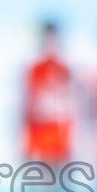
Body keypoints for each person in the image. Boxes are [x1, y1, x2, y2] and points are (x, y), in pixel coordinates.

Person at [24, 21, 73, 166]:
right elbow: (31, 100)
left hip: (59, 126)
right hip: (41, 127)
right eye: (47, 39)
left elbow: (69, 99)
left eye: (54, 40)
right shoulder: (36, 69)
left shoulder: (64, 68)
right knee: (43, 170)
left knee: (59, 169)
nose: (51, 44)